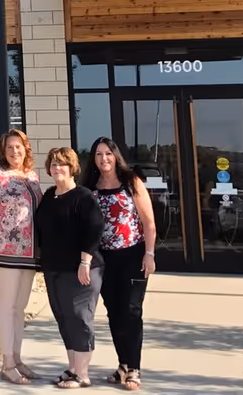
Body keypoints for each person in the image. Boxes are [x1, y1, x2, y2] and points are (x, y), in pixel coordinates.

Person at [83, 137, 157, 391]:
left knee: (131, 310)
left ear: (116, 156)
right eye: (98, 154)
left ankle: (135, 368)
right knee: (114, 312)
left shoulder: (131, 181)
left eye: (108, 154)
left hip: (132, 255)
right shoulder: (91, 186)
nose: (104, 159)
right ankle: (123, 364)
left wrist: (149, 253)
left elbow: (148, 222)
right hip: (105, 259)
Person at [34, 146, 104, 390]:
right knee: (63, 318)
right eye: (53, 164)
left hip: (81, 269)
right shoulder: (50, 195)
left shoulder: (83, 197)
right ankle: (72, 368)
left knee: (79, 317)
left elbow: (94, 230)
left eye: (62, 164)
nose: (57, 168)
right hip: (54, 269)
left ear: (72, 168)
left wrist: (85, 262)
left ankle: (83, 375)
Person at [0, 128, 42, 384]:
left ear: (26, 149)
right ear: (2, 152)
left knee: (20, 308)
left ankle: (17, 358)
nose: (15, 151)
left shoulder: (32, 177)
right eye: (9, 148)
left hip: (29, 254)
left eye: (19, 146)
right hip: (5, 251)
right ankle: (6, 363)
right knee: (6, 307)